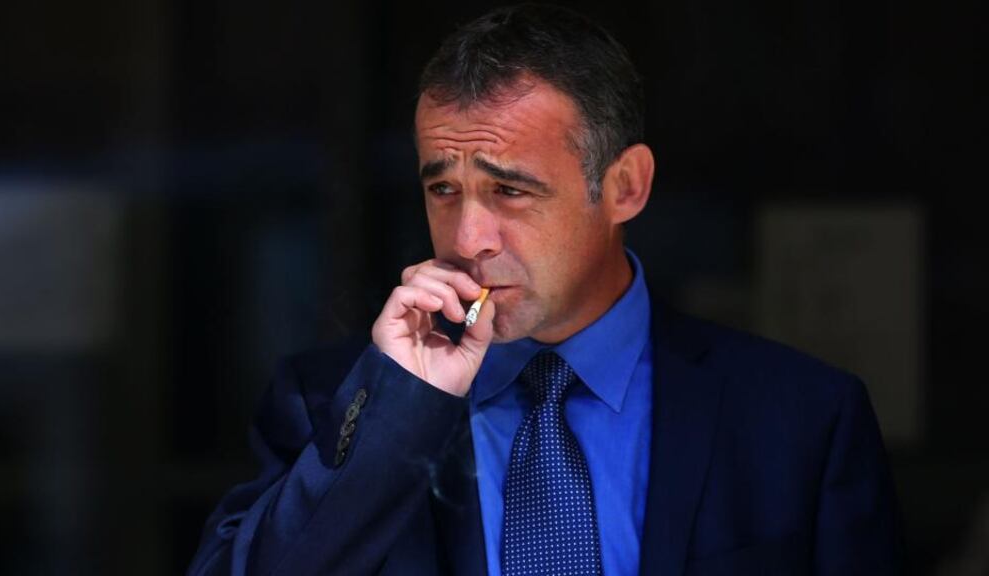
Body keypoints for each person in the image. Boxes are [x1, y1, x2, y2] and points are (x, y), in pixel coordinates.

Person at [187, 5, 901, 575]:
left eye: (509, 190)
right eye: (443, 189)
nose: (468, 240)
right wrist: (400, 407)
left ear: (625, 186)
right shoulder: (331, 400)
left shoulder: (801, 421)